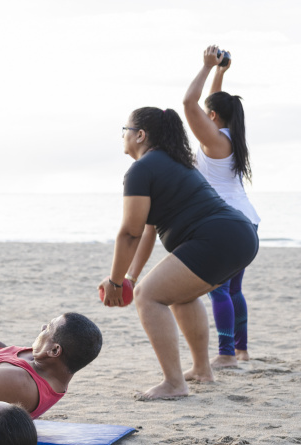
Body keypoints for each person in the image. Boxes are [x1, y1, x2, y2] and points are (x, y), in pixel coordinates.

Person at [99, 107, 259, 400]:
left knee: (148, 296)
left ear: (140, 135)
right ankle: (201, 370)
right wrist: (130, 276)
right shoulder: (174, 163)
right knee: (180, 295)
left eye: (125, 129)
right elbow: (147, 231)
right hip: (241, 236)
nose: (123, 135)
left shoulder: (141, 169)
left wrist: (116, 281)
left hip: (217, 237)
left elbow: (129, 233)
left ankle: (174, 383)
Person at [183, 45, 259, 369]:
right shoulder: (230, 136)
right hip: (247, 220)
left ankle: (226, 354)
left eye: (208, 114)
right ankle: (240, 351)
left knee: (218, 290)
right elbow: (210, 105)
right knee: (233, 290)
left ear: (212, 117)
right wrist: (220, 73)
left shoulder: (214, 141)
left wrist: (204, 67)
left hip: (225, 223)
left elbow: (190, 103)